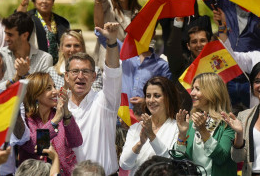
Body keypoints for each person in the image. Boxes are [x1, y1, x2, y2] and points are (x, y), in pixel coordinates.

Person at [67, 22, 122, 175]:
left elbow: (113, 72)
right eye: (75, 71)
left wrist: (111, 42)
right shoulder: (58, 106)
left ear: (94, 76)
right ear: (66, 76)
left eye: (85, 71)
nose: (80, 76)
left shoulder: (105, 101)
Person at [20, 72, 83, 176]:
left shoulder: (59, 114)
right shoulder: (26, 119)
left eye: (54, 86)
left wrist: (66, 112)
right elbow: (33, 145)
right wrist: (55, 120)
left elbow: (76, 142)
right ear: (35, 94)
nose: (55, 91)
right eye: (49, 88)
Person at [174, 73, 236, 175]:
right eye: (192, 88)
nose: (192, 93)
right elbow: (178, 158)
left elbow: (221, 158)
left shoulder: (228, 123)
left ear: (212, 92)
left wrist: (203, 131)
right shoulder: (191, 121)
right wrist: (182, 134)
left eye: (197, 89)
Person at [119, 77, 179, 175]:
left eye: (157, 96)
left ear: (168, 97)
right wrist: (140, 143)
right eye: (148, 96)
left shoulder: (176, 128)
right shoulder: (136, 127)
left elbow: (169, 161)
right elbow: (124, 164)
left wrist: (151, 135)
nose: (151, 100)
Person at [92, 0, 141, 68]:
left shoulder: (139, 11)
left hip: (131, 65)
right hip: (107, 64)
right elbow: (98, 24)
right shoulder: (108, 4)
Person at [0, 12, 53, 89]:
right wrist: (16, 78)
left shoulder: (45, 59)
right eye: (5, 34)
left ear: (25, 35)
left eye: (10, 35)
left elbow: (42, 91)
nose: (6, 38)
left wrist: (26, 75)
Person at [18, 0, 71, 64]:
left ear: (53, 1)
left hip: (58, 66)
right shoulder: (28, 19)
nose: (44, 1)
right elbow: (17, 20)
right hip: (35, 65)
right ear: (34, 1)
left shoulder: (63, 22)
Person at [121, 38, 171, 113]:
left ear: (153, 34)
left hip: (147, 115)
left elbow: (167, 94)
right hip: (122, 114)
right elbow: (107, 40)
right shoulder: (126, 56)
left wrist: (146, 100)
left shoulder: (162, 65)